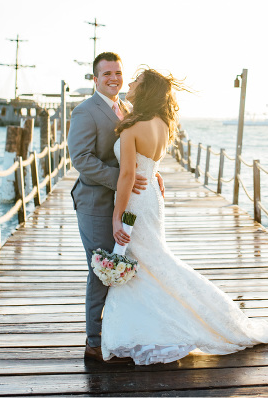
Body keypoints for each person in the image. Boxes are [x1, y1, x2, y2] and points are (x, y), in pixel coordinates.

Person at [101, 68, 268, 364]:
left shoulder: (131, 129)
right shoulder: (161, 124)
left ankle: (169, 325)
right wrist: (153, 175)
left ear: (145, 91)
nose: (130, 84)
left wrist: (116, 216)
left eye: (136, 81)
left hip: (135, 201)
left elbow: (126, 176)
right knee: (151, 260)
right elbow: (149, 165)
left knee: (147, 260)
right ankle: (152, 325)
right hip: (152, 197)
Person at [68, 52, 161, 362]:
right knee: (102, 269)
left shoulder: (126, 108)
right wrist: (124, 179)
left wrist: (152, 174)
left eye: (118, 73)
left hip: (126, 204)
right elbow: (81, 159)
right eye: (106, 73)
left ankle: (120, 332)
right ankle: (94, 341)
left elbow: (134, 153)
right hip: (95, 202)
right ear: (95, 79)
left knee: (126, 265)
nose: (114, 78)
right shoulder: (85, 111)